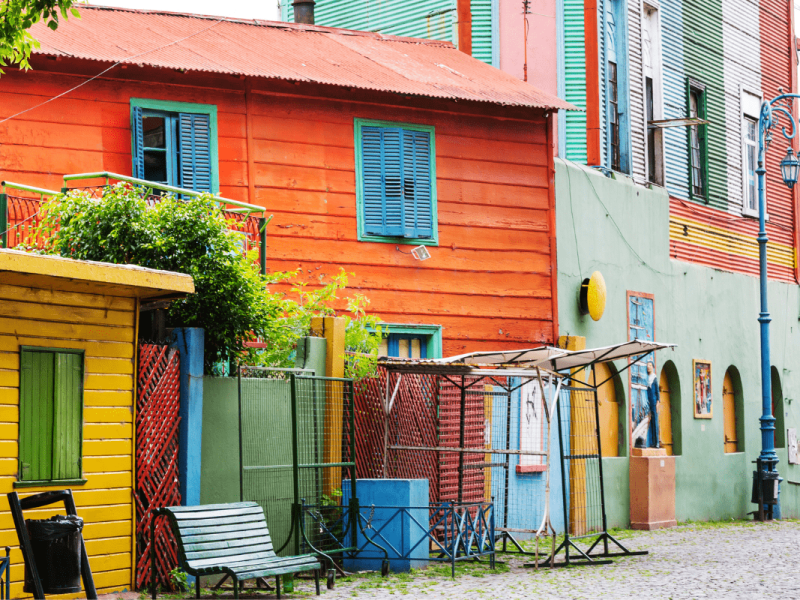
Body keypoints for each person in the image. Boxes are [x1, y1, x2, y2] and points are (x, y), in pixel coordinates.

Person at [646, 361, 660, 448]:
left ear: (653, 367)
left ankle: (657, 442)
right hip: (649, 402)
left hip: (654, 402)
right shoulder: (647, 378)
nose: (648, 367)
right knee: (651, 422)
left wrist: (658, 402)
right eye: (647, 366)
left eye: (650, 365)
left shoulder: (654, 378)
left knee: (655, 422)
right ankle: (652, 442)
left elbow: (657, 391)